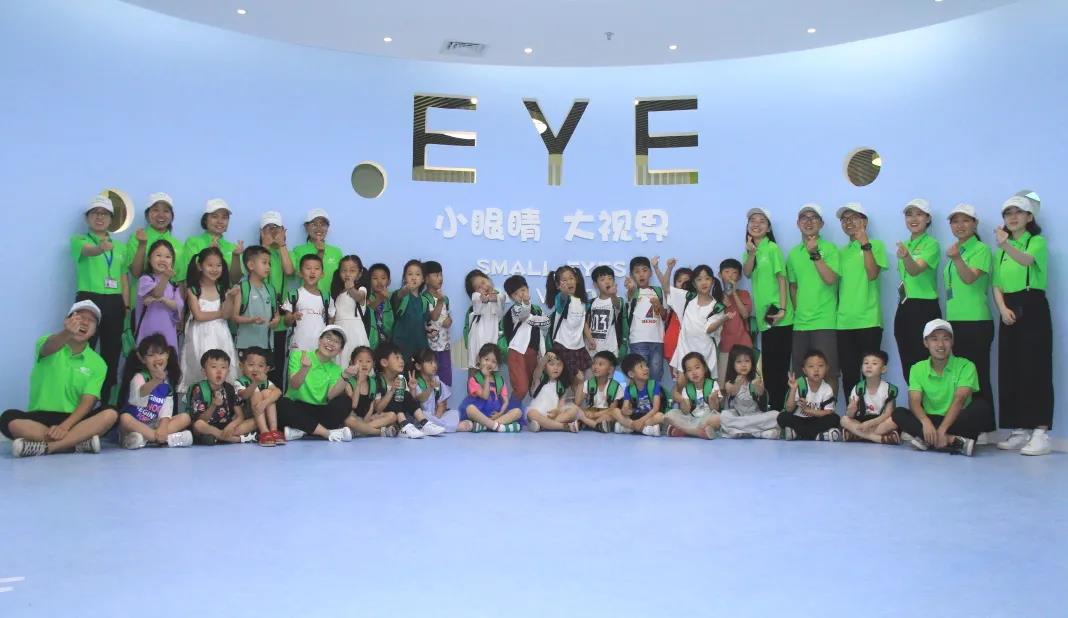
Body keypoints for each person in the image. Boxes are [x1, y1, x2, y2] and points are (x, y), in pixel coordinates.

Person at [1, 301, 119, 457]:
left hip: (74, 420)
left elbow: (88, 401)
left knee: (111, 413)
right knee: (8, 418)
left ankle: (49, 447)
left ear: (94, 331)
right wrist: (67, 333)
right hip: (40, 418)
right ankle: (76, 443)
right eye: (80, 317)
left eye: (91, 320)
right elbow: (48, 347)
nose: (84, 322)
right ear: (67, 321)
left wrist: (65, 426)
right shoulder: (47, 342)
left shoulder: (98, 363)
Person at [993, 195, 1053, 456]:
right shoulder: (1000, 251)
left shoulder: (1036, 242)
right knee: (1011, 367)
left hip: (1032, 304)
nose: (1013, 217)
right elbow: (996, 284)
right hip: (1008, 307)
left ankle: (1040, 431)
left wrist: (1005, 244)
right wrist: (1002, 308)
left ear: (1029, 217)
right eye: (1008, 213)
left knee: (1035, 367)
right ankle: (1019, 428)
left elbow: (1026, 261)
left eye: (1018, 212)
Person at [889, 319, 989, 456]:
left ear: (952, 342)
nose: (940, 344)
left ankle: (929, 440)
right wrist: (925, 422)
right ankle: (953, 441)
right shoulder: (917, 368)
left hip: (957, 419)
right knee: (898, 413)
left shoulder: (966, 365)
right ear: (926, 343)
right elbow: (914, 401)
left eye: (946, 339)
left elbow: (960, 399)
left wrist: (942, 429)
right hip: (931, 419)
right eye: (934, 339)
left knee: (982, 407)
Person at [72, 195, 128, 406]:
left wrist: (126, 305)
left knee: (111, 354)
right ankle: (76, 405)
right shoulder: (80, 240)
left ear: (111, 219)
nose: (99, 217)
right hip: (88, 300)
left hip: (114, 302)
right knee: (81, 350)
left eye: (104, 214)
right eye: (95, 213)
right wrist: (99, 249)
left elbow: (123, 277)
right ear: (87, 218)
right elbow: (88, 251)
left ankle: (106, 406)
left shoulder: (120, 247)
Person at [943, 203, 995, 433]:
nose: (960, 225)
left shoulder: (980, 249)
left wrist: (956, 259)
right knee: (961, 377)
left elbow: (970, 278)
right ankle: (965, 425)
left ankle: (983, 428)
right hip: (955, 322)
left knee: (978, 376)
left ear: (975, 224)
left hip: (976, 322)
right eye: (955, 221)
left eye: (965, 220)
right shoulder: (957, 250)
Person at [742, 207, 793, 410]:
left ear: (769, 228)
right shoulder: (750, 250)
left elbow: (782, 279)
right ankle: (773, 408)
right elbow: (747, 272)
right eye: (753, 221)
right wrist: (752, 253)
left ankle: (780, 409)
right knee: (769, 366)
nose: (756, 224)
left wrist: (782, 309)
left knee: (780, 366)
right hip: (765, 318)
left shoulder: (772, 248)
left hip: (779, 315)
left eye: (762, 221)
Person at [786, 204, 841, 391]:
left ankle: (829, 409)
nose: (808, 221)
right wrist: (799, 311)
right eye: (804, 218)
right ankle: (803, 407)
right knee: (800, 373)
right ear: (798, 223)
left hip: (825, 321)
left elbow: (830, 279)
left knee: (829, 372)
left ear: (821, 223)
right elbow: (793, 286)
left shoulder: (830, 249)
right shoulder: (794, 253)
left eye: (814, 217)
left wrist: (815, 254)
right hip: (800, 323)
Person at [835, 203, 888, 394]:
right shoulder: (841, 252)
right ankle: (853, 412)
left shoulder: (876, 245)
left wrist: (865, 244)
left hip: (869, 320)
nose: (848, 222)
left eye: (854, 218)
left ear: (864, 221)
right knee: (849, 375)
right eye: (844, 219)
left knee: (871, 375)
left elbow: (873, 274)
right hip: (843, 323)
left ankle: (872, 412)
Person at [275, 326, 355, 443]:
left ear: (340, 350)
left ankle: (302, 431)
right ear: (319, 340)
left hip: (320, 410)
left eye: (336, 342)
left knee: (345, 401)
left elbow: (330, 396)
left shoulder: (336, 369)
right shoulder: (299, 355)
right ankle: (327, 433)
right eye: (328, 338)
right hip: (297, 406)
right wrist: (305, 368)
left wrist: (345, 376)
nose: (331, 343)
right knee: (281, 404)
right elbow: (294, 385)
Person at [178, 247, 239, 395]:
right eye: (210, 265)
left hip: (220, 333)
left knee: (221, 365)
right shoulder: (193, 289)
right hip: (199, 334)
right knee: (200, 363)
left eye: (218, 265)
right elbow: (199, 316)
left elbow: (227, 314)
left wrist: (230, 298)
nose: (214, 269)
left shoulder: (222, 288)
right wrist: (220, 313)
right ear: (200, 266)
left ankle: (222, 400)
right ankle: (199, 399)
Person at [655, 260, 729, 379]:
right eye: (699, 279)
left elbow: (709, 329)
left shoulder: (717, 307)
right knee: (681, 386)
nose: (703, 282)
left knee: (704, 388)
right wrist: (669, 268)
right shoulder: (687, 298)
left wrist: (723, 319)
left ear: (712, 281)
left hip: (706, 355)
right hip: (684, 352)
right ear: (694, 283)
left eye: (707, 278)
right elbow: (666, 288)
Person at [894, 199, 942, 380]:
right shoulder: (905, 244)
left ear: (928, 219)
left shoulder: (931, 244)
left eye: (919, 214)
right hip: (904, 305)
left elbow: (914, 270)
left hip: (924, 308)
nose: (913, 219)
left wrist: (906, 257)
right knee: (907, 361)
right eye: (909, 214)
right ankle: (914, 397)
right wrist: (905, 254)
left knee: (925, 361)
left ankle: (929, 398)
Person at [117, 333, 192, 449]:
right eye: (151, 355)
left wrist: (162, 428)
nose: (157, 358)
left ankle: (146, 439)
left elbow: (166, 412)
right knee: (125, 418)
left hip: (154, 425)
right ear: (143, 359)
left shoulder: (167, 385)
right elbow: (139, 397)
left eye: (161, 353)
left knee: (185, 418)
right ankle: (166, 439)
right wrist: (156, 381)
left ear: (167, 355)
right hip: (135, 425)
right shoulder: (139, 377)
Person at [372, 342, 447, 438]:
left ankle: (424, 423)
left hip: (397, 418)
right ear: (384, 362)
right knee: (396, 395)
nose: (401, 361)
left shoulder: (401, 379)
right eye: (397, 358)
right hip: (383, 416)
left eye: (401, 358)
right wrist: (391, 391)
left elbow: (409, 403)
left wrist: (412, 389)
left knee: (406, 394)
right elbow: (378, 409)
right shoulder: (377, 381)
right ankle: (404, 426)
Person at [188, 349, 257, 445]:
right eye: (214, 367)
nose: (219, 371)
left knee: (255, 421)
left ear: (228, 372)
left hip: (226, 426)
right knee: (198, 425)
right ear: (204, 372)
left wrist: (231, 426)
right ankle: (232, 438)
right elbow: (201, 419)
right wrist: (213, 405)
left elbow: (240, 416)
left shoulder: (229, 388)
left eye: (223, 367)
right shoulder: (199, 389)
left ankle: (219, 438)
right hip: (208, 426)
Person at [258, 211, 295, 386]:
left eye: (276, 228)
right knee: (257, 363)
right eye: (268, 228)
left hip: (280, 316)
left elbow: (289, 271)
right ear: (261, 232)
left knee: (278, 364)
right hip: (258, 315)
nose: (273, 232)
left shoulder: (286, 252)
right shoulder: (255, 253)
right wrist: (265, 245)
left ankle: (276, 398)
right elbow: (259, 273)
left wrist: (281, 244)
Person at [501, 274, 549, 406]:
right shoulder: (514, 309)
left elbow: (547, 323)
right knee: (521, 388)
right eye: (516, 294)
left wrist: (533, 320)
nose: (521, 295)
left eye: (523, 290)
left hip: (534, 354)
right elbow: (523, 315)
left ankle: (530, 413)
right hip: (517, 353)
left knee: (535, 387)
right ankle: (511, 412)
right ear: (511, 298)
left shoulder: (537, 309)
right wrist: (528, 307)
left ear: (528, 289)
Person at [777, 350, 842, 441]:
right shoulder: (800, 384)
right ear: (804, 370)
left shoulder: (827, 389)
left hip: (816, 420)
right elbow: (789, 409)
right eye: (811, 366)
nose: (816, 370)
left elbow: (828, 412)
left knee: (835, 418)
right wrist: (793, 389)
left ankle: (798, 433)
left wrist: (809, 410)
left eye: (820, 366)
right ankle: (817, 435)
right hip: (799, 419)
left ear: (826, 368)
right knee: (782, 417)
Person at [838, 350, 901, 444]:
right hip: (862, 421)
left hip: (879, 421)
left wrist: (870, 423)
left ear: (883, 369)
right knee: (844, 420)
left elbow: (888, 414)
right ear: (861, 368)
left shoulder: (889, 389)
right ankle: (878, 438)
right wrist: (851, 410)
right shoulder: (858, 388)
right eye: (866, 363)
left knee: (893, 421)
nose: (869, 366)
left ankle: (857, 435)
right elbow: (850, 415)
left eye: (874, 363)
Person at [718, 345, 779, 439]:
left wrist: (758, 386)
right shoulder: (729, 383)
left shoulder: (756, 380)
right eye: (739, 362)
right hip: (738, 416)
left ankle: (741, 431)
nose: (743, 365)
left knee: (776, 415)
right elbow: (732, 392)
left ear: (752, 363)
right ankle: (760, 433)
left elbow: (760, 393)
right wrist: (738, 384)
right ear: (732, 364)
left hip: (755, 415)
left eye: (747, 361)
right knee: (725, 416)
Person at [460, 343, 523, 432]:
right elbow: (485, 396)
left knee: (518, 412)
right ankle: (500, 426)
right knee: (470, 409)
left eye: (493, 362)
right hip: (480, 414)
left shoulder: (499, 380)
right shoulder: (474, 380)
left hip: (495, 414)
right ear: (479, 359)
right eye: (486, 359)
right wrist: (486, 377)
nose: (489, 363)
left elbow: (505, 401)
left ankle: (485, 426)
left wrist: (500, 413)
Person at [134, 239, 183, 349]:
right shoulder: (145, 279)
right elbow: (157, 293)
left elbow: (177, 306)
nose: (163, 260)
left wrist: (163, 300)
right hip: (148, 332)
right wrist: (165, 276)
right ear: (149, 259)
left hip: (168, 334)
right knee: (148, 356)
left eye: (168, 257)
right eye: (158, 255)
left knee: (168, 357)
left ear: (172, 261)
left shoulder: (174, 285)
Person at [282, 254, 336, 354]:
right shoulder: (294, 295)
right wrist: (293, 317)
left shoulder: (327, 298)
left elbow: (332, 320)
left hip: (320, 350)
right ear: (300, 273)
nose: (312, 271)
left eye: (317, 268)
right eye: (308, 268)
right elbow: (286, 322)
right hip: (298, 348)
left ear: (322, 274)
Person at [624, 256, 667, 382]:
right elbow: (630, 293)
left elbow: (664, 315)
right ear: (631, 275)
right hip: (638, 341)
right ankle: (638, 395)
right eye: (637, 272)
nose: (641, 274)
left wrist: (658, 306)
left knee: (656, 374)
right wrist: (631, 288)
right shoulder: (633, 292)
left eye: (644, 270)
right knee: (639, 376)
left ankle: (655, 395)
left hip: (657, 340)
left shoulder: (658, 291)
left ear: (650, 273)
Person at [232, 245, 280, 355]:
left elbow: (276, 315)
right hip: (245, 346)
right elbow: (234, 317)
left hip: (266, 345)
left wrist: (276, 321)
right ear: (251, 265)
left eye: (269, 263)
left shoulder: (271, 289)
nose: (268, 267)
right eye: (264, 263)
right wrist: (251, 320)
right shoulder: (242, 288)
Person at [128, 192, 185, 284]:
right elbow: (136, 273)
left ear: (172, 216)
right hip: (141, 293)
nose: (161, 215)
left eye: (166, 211)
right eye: (155, 210)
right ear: (147, 215)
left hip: (170, 293)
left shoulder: (178, 245)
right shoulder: (136, 238)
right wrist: (142, 245)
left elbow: (180, 280)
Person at [182, 198, 243, 284]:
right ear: (205, 220)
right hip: (200, 291)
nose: (220, 221)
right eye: (215, 216)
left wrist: (236, 256)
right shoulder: (192, 242)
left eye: (224, 218)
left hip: (226, 292)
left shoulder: (233, 248)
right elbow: (189, 273)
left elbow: (235, 280)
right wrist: (209, 253)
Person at [233, 347, 284, 447]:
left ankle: (273, 431)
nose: (255, 369)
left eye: (260, 366)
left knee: (268, 392)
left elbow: (278, 392)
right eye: (251, 365)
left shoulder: (266, 382)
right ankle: (263, 432)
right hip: (247, 417)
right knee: (256, 392)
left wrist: (265, 402)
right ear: (241, 366)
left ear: (266, 369)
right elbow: (244, 395)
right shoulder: (239, 382)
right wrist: (255, 383)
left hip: (263, 414)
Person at [343, 346, 399, 437]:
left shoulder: (374, 382)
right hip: (353, 417)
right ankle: (380, 432)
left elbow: (375, 407)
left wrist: (392, 391)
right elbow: (353, 405)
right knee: (349, 420)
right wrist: (359, 383)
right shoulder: (348, 382)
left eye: (368, 361)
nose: (364, 364)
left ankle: (359, 431)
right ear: (352, 363)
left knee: (392, 415)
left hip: (367, 418)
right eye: (360, 361)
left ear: (373, 364)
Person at [546, 265, 590, 379]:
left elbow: (583, 322)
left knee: (579, 380)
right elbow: (563, 297)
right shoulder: (560, 298)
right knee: (577, 378)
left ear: (576, 280)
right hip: (563, 345)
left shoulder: (583, 302)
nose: (569, 282)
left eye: (571, 278)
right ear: (558, 285)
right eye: (564, 280)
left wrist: (590, 339)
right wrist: (564, 292)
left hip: (579, 346)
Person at [664, 352, 721, 440]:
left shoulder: (713, 384)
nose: (694, 372)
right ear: (686, 374)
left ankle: (684, 431)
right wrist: (682, 400)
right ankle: (699, 432)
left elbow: (715, 409)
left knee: (718, 418)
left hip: (707, 419)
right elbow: (686, 411)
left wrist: (712, 399)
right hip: (691, 419)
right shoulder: (686, 389)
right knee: (670, 415)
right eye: (689, 370)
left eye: (697, 367)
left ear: (704, 368)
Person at [289, 208, 342, 298]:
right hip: (306, 300)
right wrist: (320, 253)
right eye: (314, 224)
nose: (319, 228)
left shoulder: (336, 252)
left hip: (331, 301)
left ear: (328, 228)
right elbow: (297, 274)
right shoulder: (298, 250)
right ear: (306, 227)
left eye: (323, 224)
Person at [716, 259, 754, 387]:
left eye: (734, 272)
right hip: (725, 347)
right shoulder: (716, 296)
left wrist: (734, 294)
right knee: (723, 384)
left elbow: (745, 314)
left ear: (739, 276)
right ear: (720, 275)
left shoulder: (744, 294)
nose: (730, 275)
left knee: (746, 384)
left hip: (744, 345)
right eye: (726, 272)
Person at [608, 353, 665, 436]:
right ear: (631, 374)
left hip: (649, 416)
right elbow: (625, 408)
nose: (646, 369)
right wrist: (625, 410)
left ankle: (629, 428)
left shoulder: (654, 385)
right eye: (641, 367)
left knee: (660, 416)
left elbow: (656, 408)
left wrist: (641, 421)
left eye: (646, 365)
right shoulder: (629, 389)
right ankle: (644, 429)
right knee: (615, 411)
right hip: (634, 417)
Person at [525, 352, 582, 433]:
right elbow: (538, 369)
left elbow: (561, 405)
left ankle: (543, 426)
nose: (556, 368)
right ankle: (563, 426)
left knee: (573, 411)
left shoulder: (561, 385)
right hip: (538, 413)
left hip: (553, 416)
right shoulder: (539, 380)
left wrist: (557, 411)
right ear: (545, 367)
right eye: (551, 364)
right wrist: (545, 358)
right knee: (531, 413)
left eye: (559, 365)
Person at [331, 254, 371, 367]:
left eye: (352, 271)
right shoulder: (338, 293)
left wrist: (351, 288)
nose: (347, 274)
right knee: (340, 363)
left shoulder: (361, 289)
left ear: (360, 274)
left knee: (355, 360)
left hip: (354, 331)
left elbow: (359, 296)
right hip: (339, 331)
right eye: (344, 270)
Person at [464, 269, 504, 370]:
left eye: (483, 282)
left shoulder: (499, 295)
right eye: (478, 287)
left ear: (488, 279)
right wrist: (485, 298)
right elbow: (479, 300)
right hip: (478, 336)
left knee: (492, 366)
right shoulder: (476, 296)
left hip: (492, 336)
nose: (483, 287)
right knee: (475, 366)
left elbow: (499, 299)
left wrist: (491, 295)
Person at [391, 259, 430, 360]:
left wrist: (430, 330)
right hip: (401, 347)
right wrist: (406, 290)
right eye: (410, 274)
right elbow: (399, 296)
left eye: (417, 274)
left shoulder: (424, 301)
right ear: (404, 278)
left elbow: (426, 323)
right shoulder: (400, 294)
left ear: (423, 279)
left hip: (420, 347)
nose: (413, 277)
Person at [422, 261, 454, 387]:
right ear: (426, 279)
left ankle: (444, 398)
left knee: (445, 375)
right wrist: (440, 302)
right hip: (431, 346)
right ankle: (431, 398)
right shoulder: (424, 298)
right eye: (436, 275)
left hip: (444, 345)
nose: (440, 278)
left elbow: (449, 318)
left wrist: (449, 321)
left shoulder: (445, 298)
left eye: (441, 275)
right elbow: (433, 317)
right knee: (431, 375)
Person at [411, 348, 458, 432]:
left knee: (454, 413)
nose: (434, 365)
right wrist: (430, 388)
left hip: (435, 416)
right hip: (422, 417)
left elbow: (442, 403)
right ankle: (450, 428)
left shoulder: (437, 380)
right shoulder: (416, 382)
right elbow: (420, 398)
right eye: (430, 362)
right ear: (418, 366)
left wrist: (437, 418)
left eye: (435, 362)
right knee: (424, 415)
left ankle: (437, 426)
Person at [586, 265, 627, 358]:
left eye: (610, 278)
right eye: (602, 279)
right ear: (595, 284)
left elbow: (617, 305)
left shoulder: (618, 300)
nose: (607, 281)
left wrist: (613, 295)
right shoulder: (591, 303)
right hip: (593, 350)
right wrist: (589, 339)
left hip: (611, 350)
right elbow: (586, 324)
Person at [577, 351, 623, 432]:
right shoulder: (588, 383)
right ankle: (597, 425)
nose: (595, 367)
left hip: (605, 413)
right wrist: (581, 382)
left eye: (600, 364)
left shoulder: (615, 386)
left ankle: (587, 423)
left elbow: (612, 408)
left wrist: (595, 414)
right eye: (594, 363)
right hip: (590, 412)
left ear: (610, 369)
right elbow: (577, 403)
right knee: (574, 410)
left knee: (613, 414)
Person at [662, 267, 692, 375]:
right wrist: (669, 268)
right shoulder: (673, 298)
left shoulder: (697, 300)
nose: (682, 284)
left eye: (686, 281)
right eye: (679, 281)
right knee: (677, 379)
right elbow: (665, 286)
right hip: (672, 345)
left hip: (689, 346)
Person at [367, 263, 395, 346]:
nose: (379, 281)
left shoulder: (392, 297)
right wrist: (381, 298)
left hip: (390, 342)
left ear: (389, 281)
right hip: (371, 342)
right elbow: (369, 308)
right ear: (369, 281)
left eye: (383, 278)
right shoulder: (366, 296)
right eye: (375, 278)